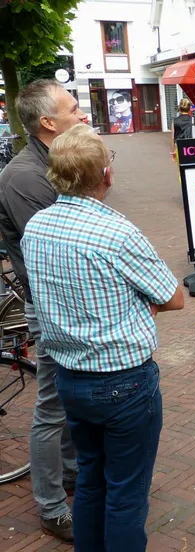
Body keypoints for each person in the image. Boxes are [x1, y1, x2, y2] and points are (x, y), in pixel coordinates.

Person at [21, 123, 185, 550]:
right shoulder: (116, 232)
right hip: (124, 381)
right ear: (105, 175)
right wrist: (138, 306)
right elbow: (173, 296)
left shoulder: (37, 227)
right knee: (127, 494)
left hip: (70, 377)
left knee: (92, 478)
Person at [0, 79, 86, 542]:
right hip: (51, 309)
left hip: (65, 305)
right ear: (49, 123)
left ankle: (71, 477)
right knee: (52, 408)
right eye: (74, 108)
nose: (84, 114)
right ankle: (52, 507)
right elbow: (59, 251)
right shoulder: (25, 177)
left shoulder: (53, 165)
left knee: (67, 401)